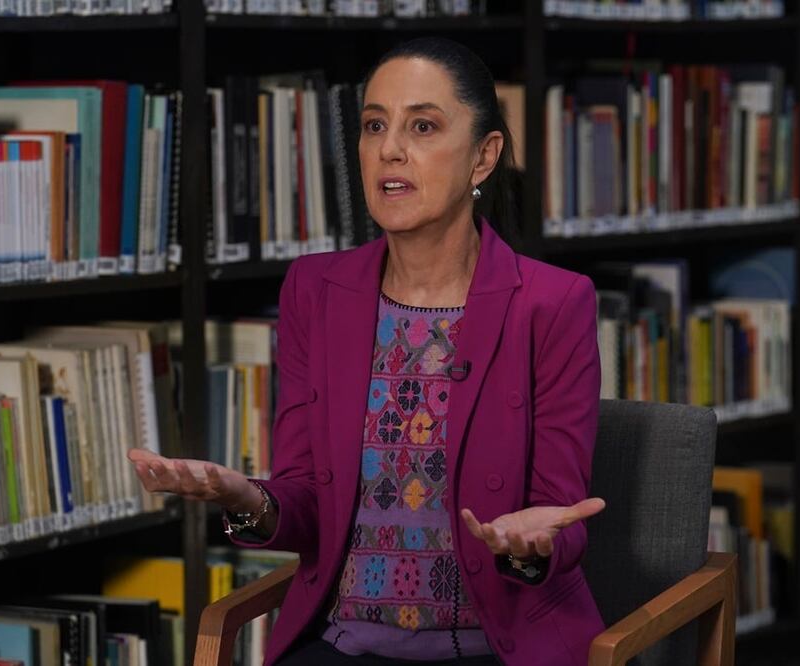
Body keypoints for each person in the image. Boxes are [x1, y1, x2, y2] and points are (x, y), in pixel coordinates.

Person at [128, 36, 606, 666]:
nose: (390, 150)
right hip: (343, 646)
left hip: (495, 648)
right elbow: (308, 507)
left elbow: (560, 521)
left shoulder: (553, 303)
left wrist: (528, 544)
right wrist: (247, 499)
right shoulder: (315, 290)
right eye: (375, 125)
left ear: (483, 156)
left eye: (423, 126)